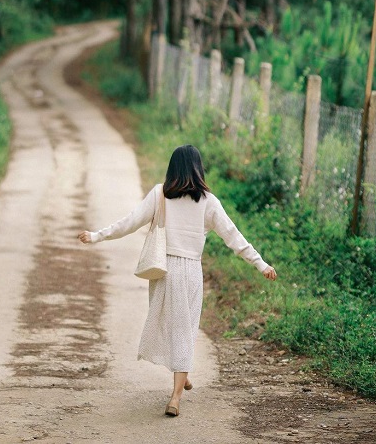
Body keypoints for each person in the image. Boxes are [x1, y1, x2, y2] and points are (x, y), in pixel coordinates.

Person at [78, 144, 276, 417]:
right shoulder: (208, 202)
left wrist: (97, 235)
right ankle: (177, 391)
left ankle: (178, 387)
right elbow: (234, 237)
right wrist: (260, 263)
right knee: (184, 329)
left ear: (173, 167)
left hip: (162, 270)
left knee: (170, 325)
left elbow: (130, 222)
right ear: (198, 168)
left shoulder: (160, 194)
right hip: (190, 271)